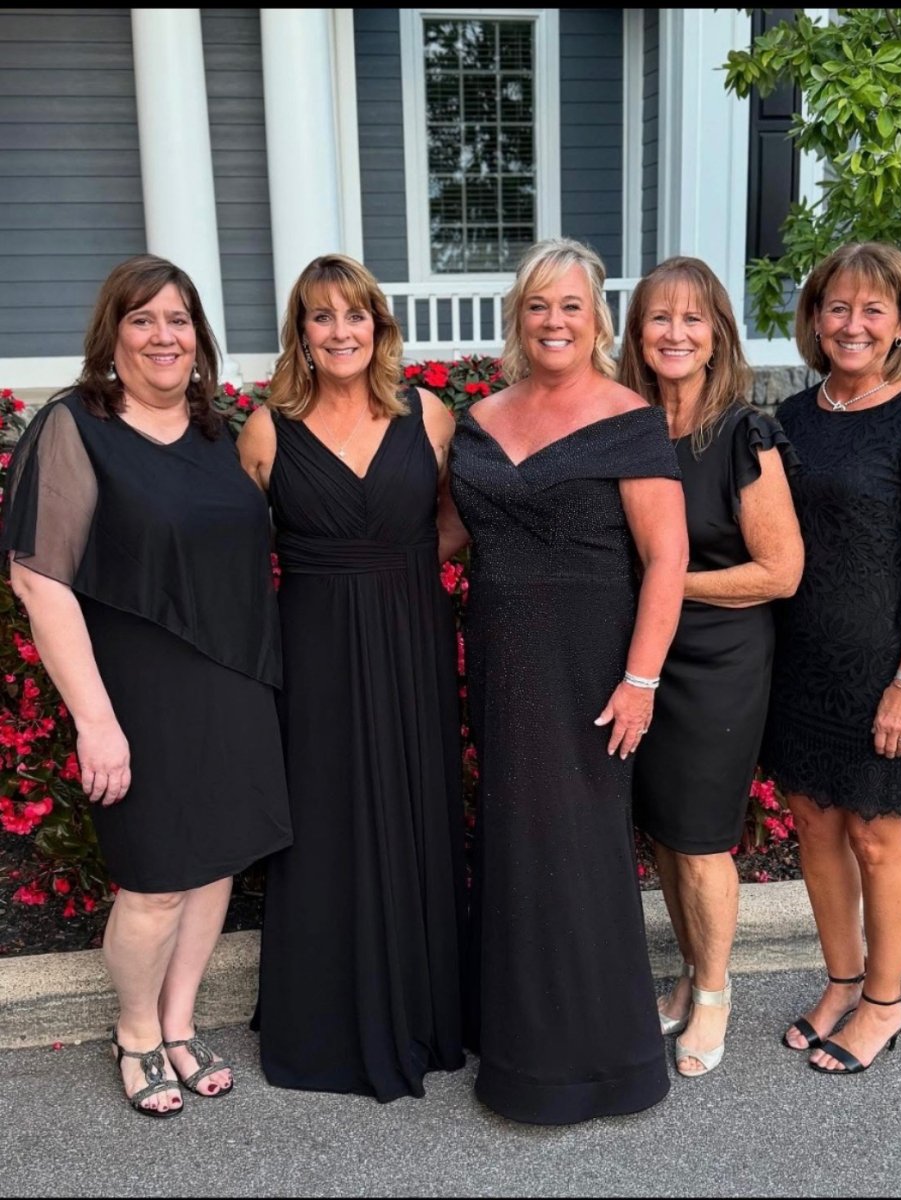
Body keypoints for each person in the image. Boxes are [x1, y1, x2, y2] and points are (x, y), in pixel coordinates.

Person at [0, 255, 292, 1116]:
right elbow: (39, 579)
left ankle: (179, 1023)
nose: (164, 336)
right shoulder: (74, 426)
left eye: (178, 319)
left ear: (198, 336)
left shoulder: (217, 432)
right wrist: (95, 720)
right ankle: (134, 1034)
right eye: (142, 319)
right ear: (113, 333)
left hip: (232, 678)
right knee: (156, 878)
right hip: (137, 688)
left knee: (214, 863)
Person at [444, 236, 689, 1124]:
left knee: (578, 846)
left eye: (572, 305)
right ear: (519, 317)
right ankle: (513, 1038)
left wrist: (640, 681)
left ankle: (597, 1063)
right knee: (514, 838)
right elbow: (445, 535)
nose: (554, 320)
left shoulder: (629, 419)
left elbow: (667, 560)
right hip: (501, 655)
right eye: (539, 305)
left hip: (590, 662)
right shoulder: (479, 419)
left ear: (597, 321)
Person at [238, 254, 466, 1100]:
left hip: (412, 637)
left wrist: (389, 568)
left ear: (379, 326)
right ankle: (326, 1022)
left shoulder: (431, 416)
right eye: (321, 316)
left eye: (355, 314)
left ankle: (423, 1008)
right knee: (326, 814)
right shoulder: (266, 430)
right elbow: (238, 547)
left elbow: (453, 522)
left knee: (414, 800)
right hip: (315, 647)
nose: (341, 331)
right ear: (302, 333)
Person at [762, 241, 901, 1074]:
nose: (853, 324)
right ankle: (842, 981)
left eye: (874, 309)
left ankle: (885, 1001)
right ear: (815, 319)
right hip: (801, 664)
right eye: (837, 307)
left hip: (886, 668)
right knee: (815, 824)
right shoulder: (789, 417)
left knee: (878, 837)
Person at [617, 257, 804, 1078]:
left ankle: (718, 991)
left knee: (699, 840)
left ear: (718, 334)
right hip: (641, 655)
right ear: (637, 335)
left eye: (693, 319)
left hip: (719, 659)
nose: (676, 333)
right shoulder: (626, 428)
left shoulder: (741, 435)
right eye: (659, 318)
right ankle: (691, 972)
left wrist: (666, 584)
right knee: (664, 830)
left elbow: (781, 571)